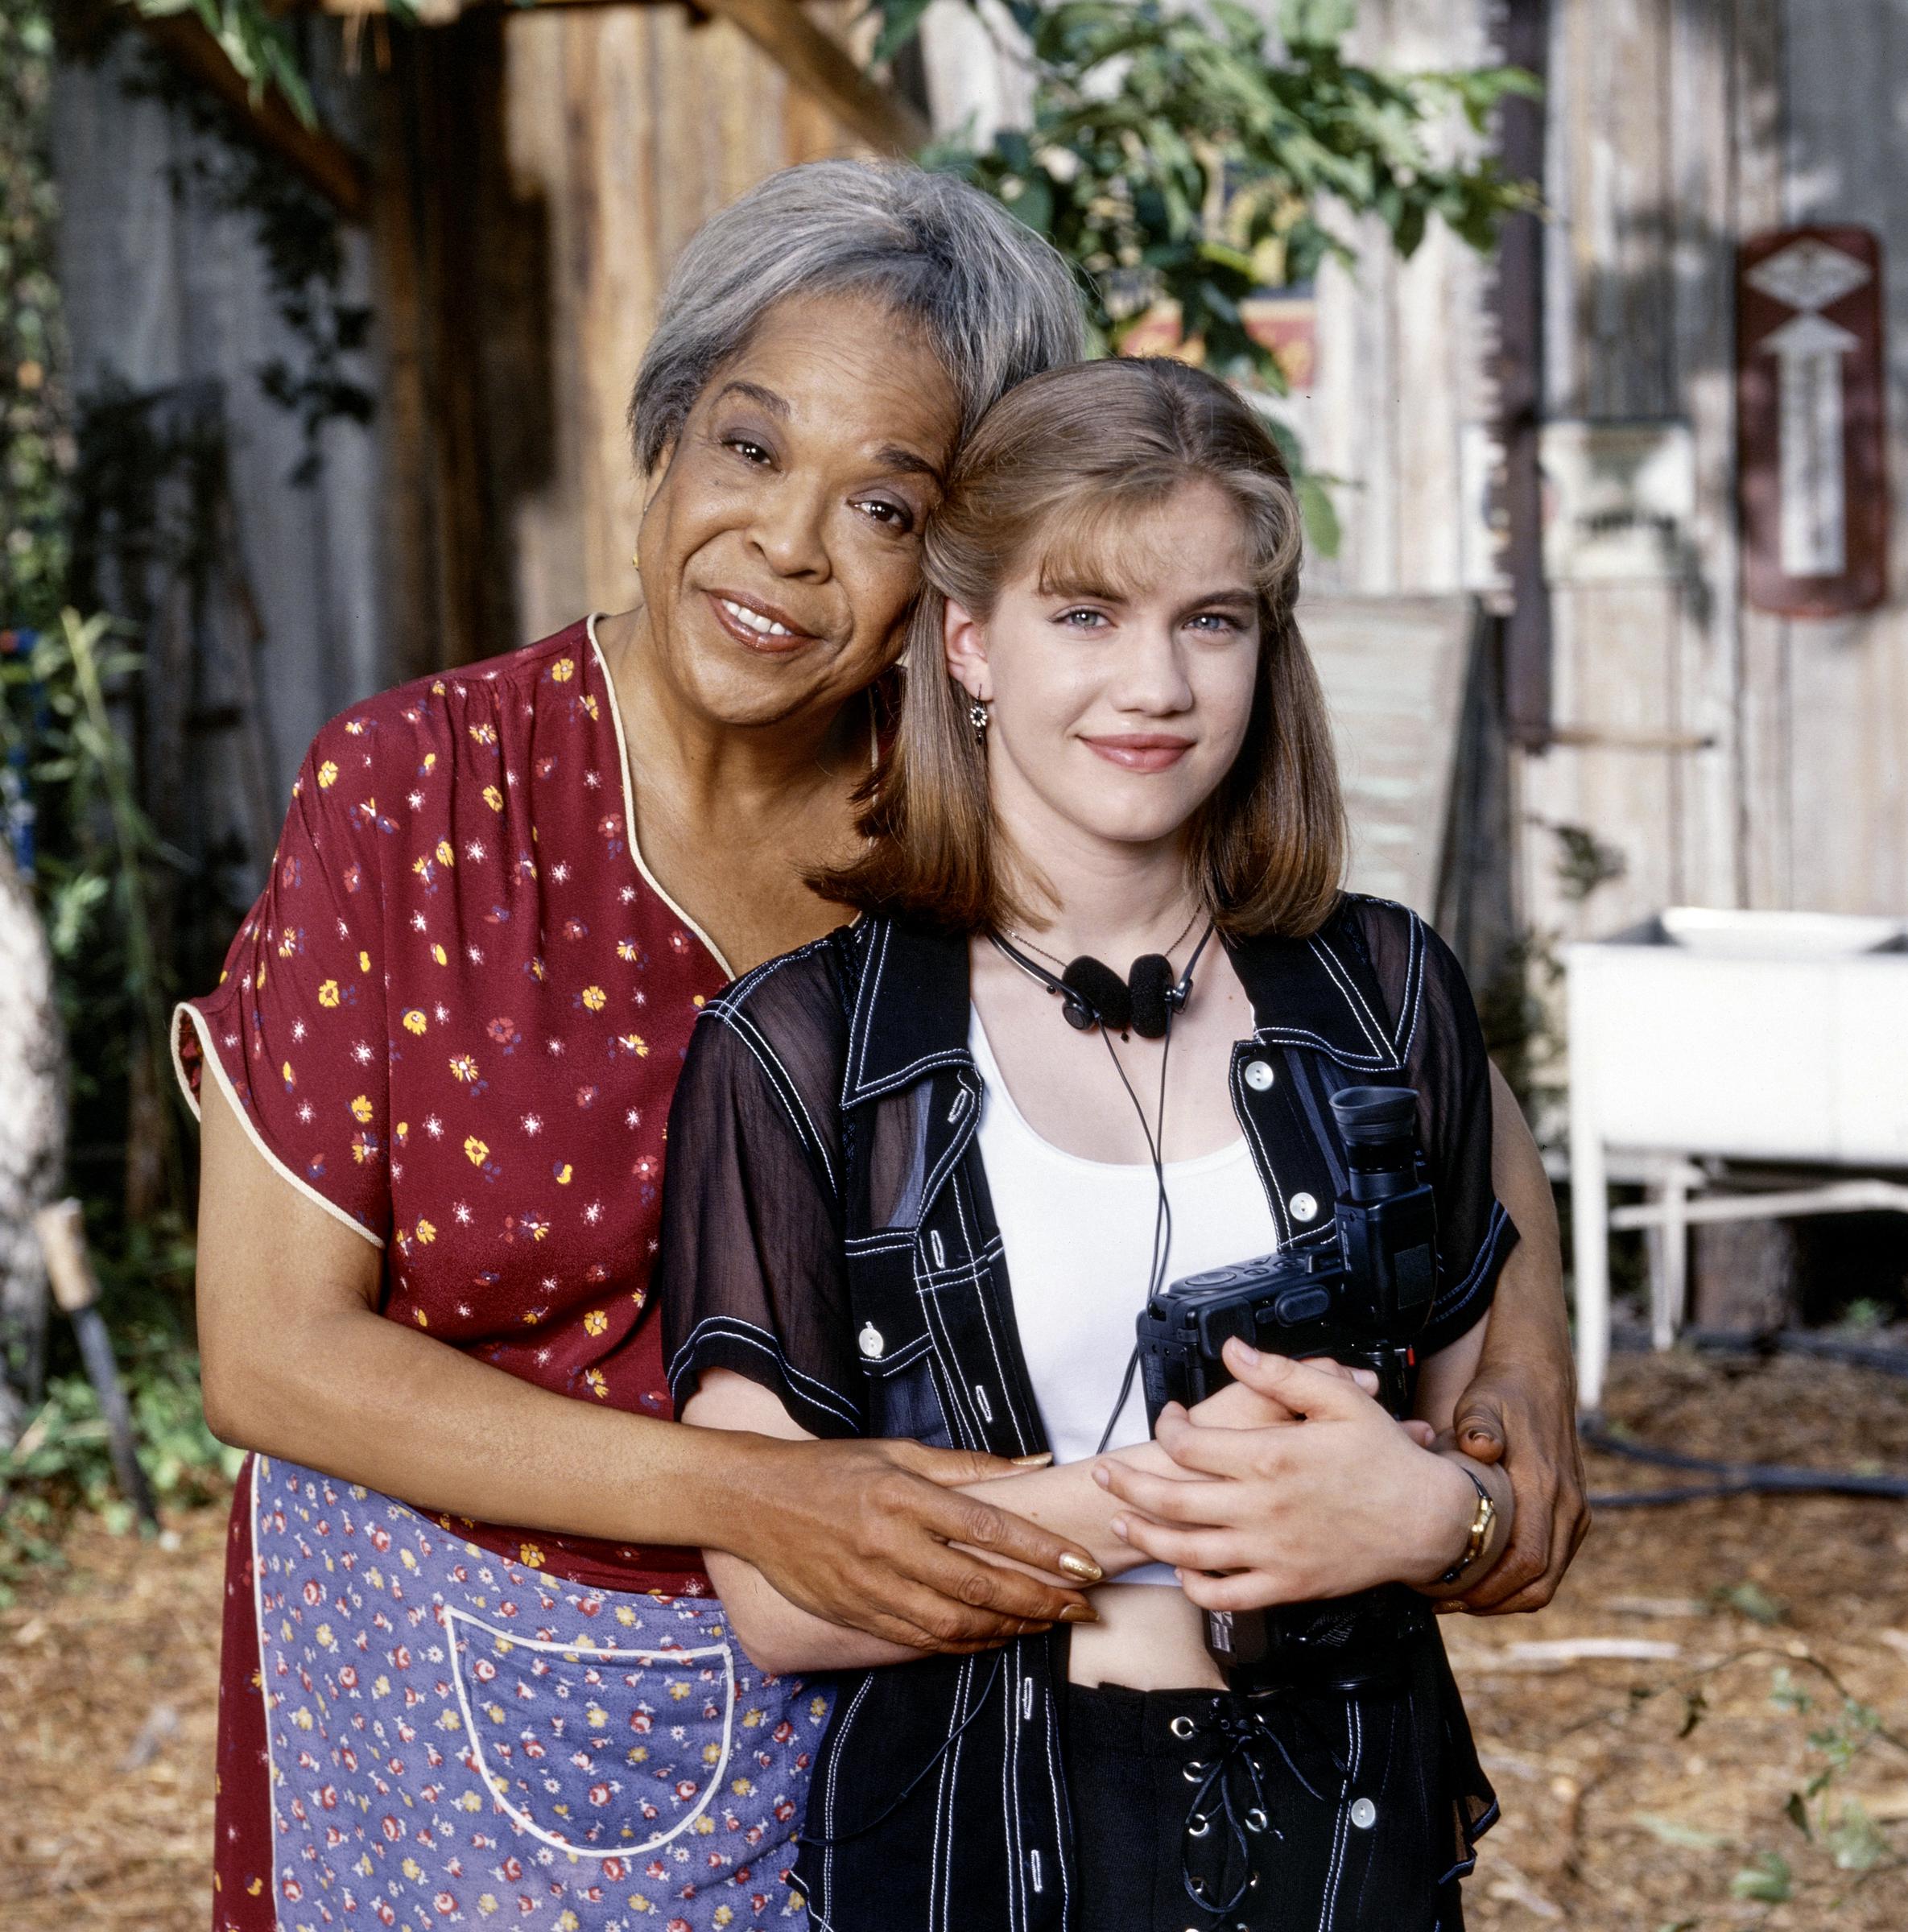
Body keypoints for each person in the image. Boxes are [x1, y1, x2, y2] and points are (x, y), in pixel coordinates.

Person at [182, 160, 1580, 1932]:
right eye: (752, 451)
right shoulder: (418, 791)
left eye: (886, 506)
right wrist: (768, 1498)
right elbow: (268, 1354)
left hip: (908, 1711)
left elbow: (1380, 1032)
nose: (785, 546)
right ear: (667, 433)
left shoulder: (999, 800)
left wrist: (1507, 1402)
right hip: (453, 1693)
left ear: (964, 577)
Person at [663, 356, 1552, 1930]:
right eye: (1086, 613)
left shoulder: (1388, 995)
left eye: (1209, 620)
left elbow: (1520, 1497)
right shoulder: (799, 1052)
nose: (1156, 686)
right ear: (970, 638)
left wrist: (1433, 1513)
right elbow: (786, 1592)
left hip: (1349, 1856)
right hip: (972, 1857)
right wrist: (1219, 1503)